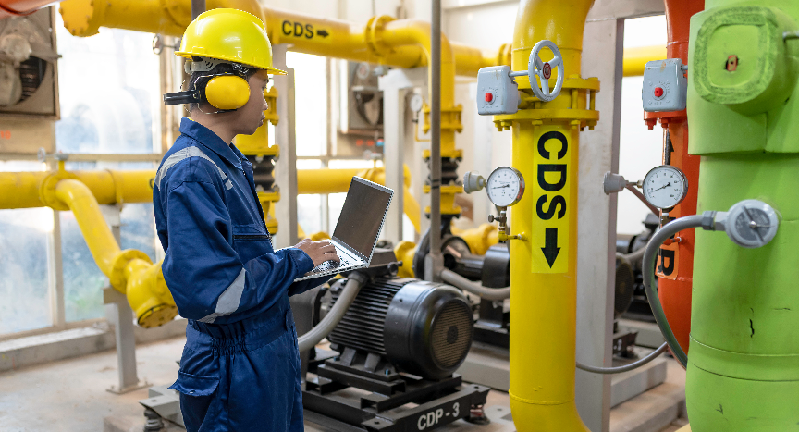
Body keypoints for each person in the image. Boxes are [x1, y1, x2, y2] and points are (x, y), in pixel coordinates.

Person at [154, 8, 337, 432]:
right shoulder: (193, 173)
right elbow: (216, 296)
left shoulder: (225, 162)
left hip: (262, 355)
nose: (267, 96)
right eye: (263, 83)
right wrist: (294, 261)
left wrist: (311, 264)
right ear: (228, 89)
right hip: (233, 370)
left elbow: (243, 270)